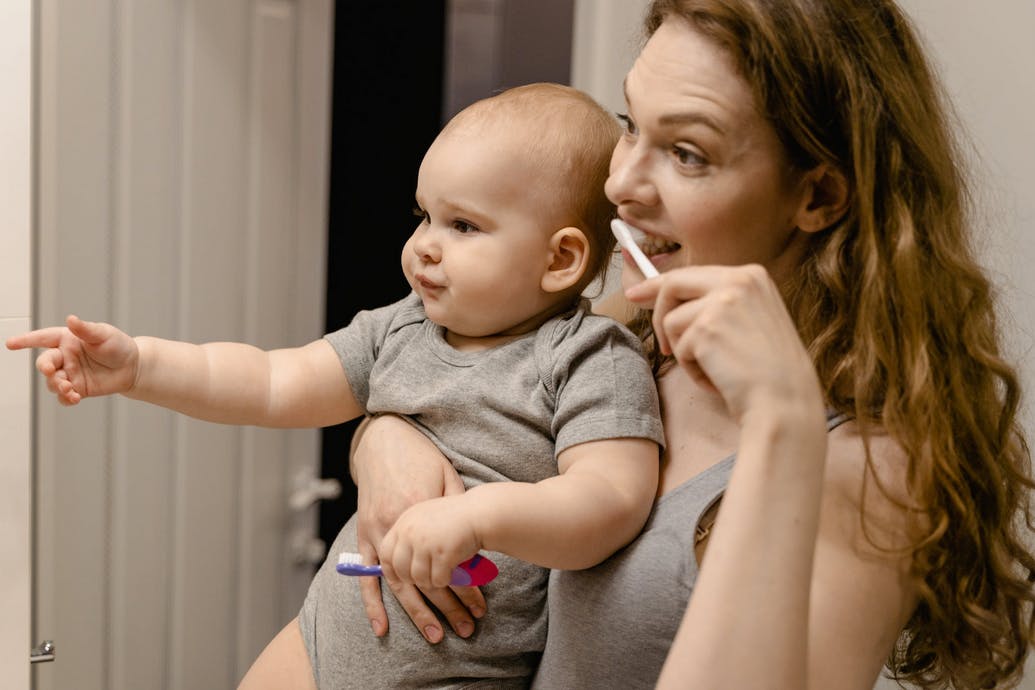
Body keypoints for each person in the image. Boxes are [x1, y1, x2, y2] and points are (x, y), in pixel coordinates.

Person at [348, 1, 1035, 689]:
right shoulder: (631, 332)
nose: (618, 185)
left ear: (819, 196)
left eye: (685, 153)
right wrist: (385, 438)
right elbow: (442, 381)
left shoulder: (871, 466)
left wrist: (780, 425)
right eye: (628, 127)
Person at [6, 82, 665, 689]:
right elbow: (270, 381)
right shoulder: (399, 330)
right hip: (321, 641)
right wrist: (141, 366)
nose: (424, 246)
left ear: (560, 259)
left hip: (457, 674)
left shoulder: (587, 356)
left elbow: (610, 500)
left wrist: (476, 515)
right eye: (423, 216)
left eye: (462, 225)